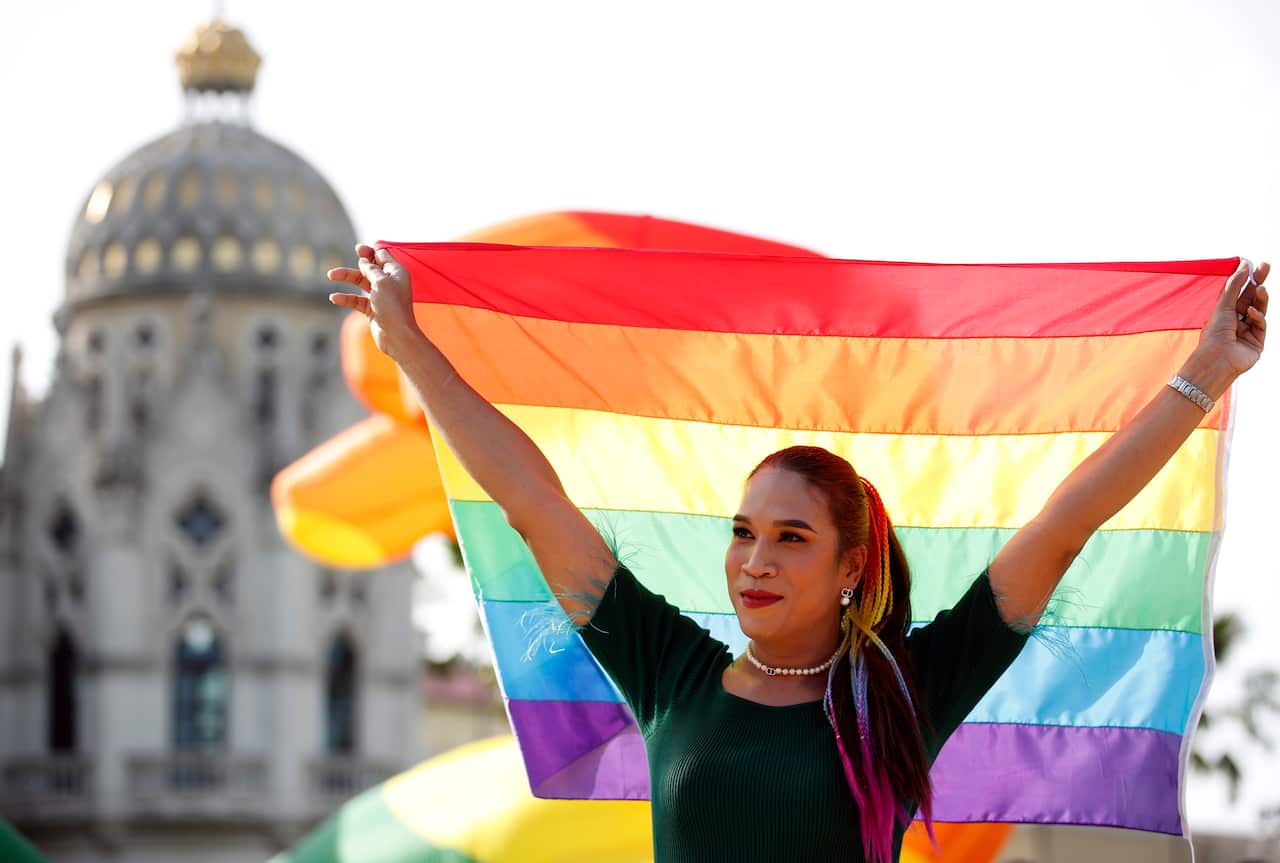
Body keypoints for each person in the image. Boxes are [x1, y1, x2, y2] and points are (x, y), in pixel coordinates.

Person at [329, 246, 1268, 863]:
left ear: (851, 566)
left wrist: (1206, 371)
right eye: (742, 533)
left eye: (790, 537)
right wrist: (409, 347)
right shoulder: (670, 672)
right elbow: (533, 503)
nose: (754, 561)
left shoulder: (908, 689)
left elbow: (1062, 526)